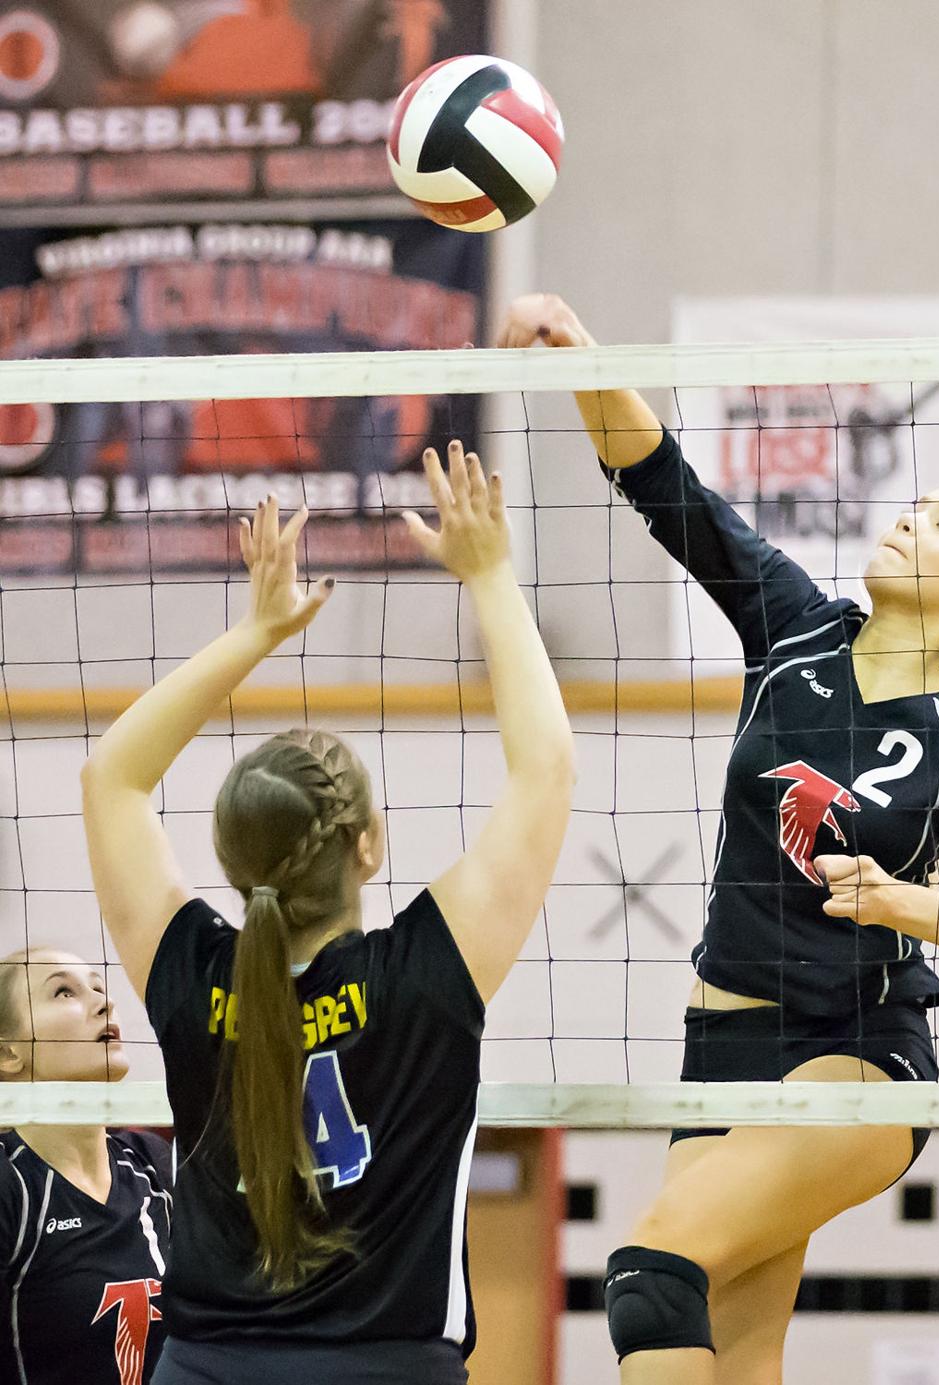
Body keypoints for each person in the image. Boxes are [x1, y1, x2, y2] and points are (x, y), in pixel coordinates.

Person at [498, 294, 939, 1385]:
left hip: (860, 1049)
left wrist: (910, 903)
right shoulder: (793, 626)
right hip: (718, 1045)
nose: (913, 518)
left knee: (647, 1271)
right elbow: (665, 484)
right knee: (738, 1346)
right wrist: (590, 356)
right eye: (920, 506)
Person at [79, 442, 574, 1385]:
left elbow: (111, 778)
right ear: (368, 846)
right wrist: (491, 572)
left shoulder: (192, 975)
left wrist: (258, 631)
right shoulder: (425, 974)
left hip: (205, 1367)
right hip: (384, 1369)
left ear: (230, 859)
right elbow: (546, 767)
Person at [0, 949, 173, 1385]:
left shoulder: (153, 1163)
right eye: (63, 991)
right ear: (8, 1054)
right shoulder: (11, 1186)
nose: (104, 1003)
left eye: (99, 986)